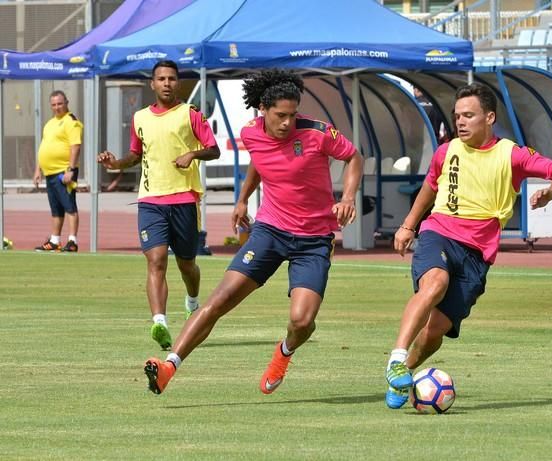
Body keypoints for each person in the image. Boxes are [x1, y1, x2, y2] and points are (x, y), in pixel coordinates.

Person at [143, 69, 364, 396]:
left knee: (302, 322)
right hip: (270, 231)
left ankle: (284, 353)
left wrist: (347, 198)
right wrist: (243, 199)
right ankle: (169, 366)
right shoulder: (251, 132)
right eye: (280, 116)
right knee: (218, 301)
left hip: (313, 240)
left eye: (292, 114)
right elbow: (260, 163)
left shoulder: (318, 133)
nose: (287, 122)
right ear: (263, 109)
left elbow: (354, 157)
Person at [384, 83, 552, 409]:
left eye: (468, 115)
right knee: (434, 284)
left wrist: (551, 193)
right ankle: (396, 361)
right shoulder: (446, 151)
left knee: (436, 331)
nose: (460, 122)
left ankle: (405, 375)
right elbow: (430, 187)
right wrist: (408, 225)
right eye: (458, 116)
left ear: (489, 117)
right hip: (438, 233)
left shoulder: (511, 154)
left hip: (477, 254)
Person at [97, 60, 220, 350]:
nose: (167, 83)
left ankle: (192, 302)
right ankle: (159, 323)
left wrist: (192, 154)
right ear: (152, 84)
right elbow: (135, 154)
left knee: (187, 264)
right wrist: (115, 164)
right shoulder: (140, 118)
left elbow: (213, 150)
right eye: (161, 79)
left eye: (172, 79)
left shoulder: (190, 114)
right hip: (150, 200)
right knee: (156, 260)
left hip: (184, 199)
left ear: (178, 83)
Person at [33, 90, 83, 252]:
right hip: (49, 172)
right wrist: (37, 170)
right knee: (56, 209)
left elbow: (75, 146)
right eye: (53, 104)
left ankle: (72, 241)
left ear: (66, 103)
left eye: (60, 103)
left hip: (64, 172)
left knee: (69, 207)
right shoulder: (50, 123)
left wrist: (71, 169)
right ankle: (54, 240)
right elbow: (43, 147)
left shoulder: (71, 121)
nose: (57, 107)